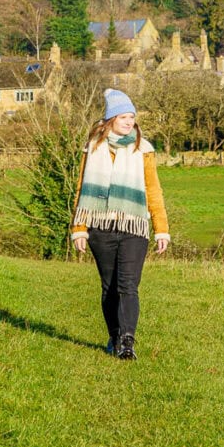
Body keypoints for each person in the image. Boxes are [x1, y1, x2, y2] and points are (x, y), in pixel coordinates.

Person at [71, 88, 170, 360]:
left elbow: (153, 189)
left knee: (128, 285)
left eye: (132, 117)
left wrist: (161, 228)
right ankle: (114, 336)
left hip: (133, 226)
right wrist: (79, 228)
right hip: (100, 228)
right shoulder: (92, 149)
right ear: (110, 119)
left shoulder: (143, 149)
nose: (130, 122)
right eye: (124, 117)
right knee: (109, 286)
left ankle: (127, 342)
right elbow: (82, 189)